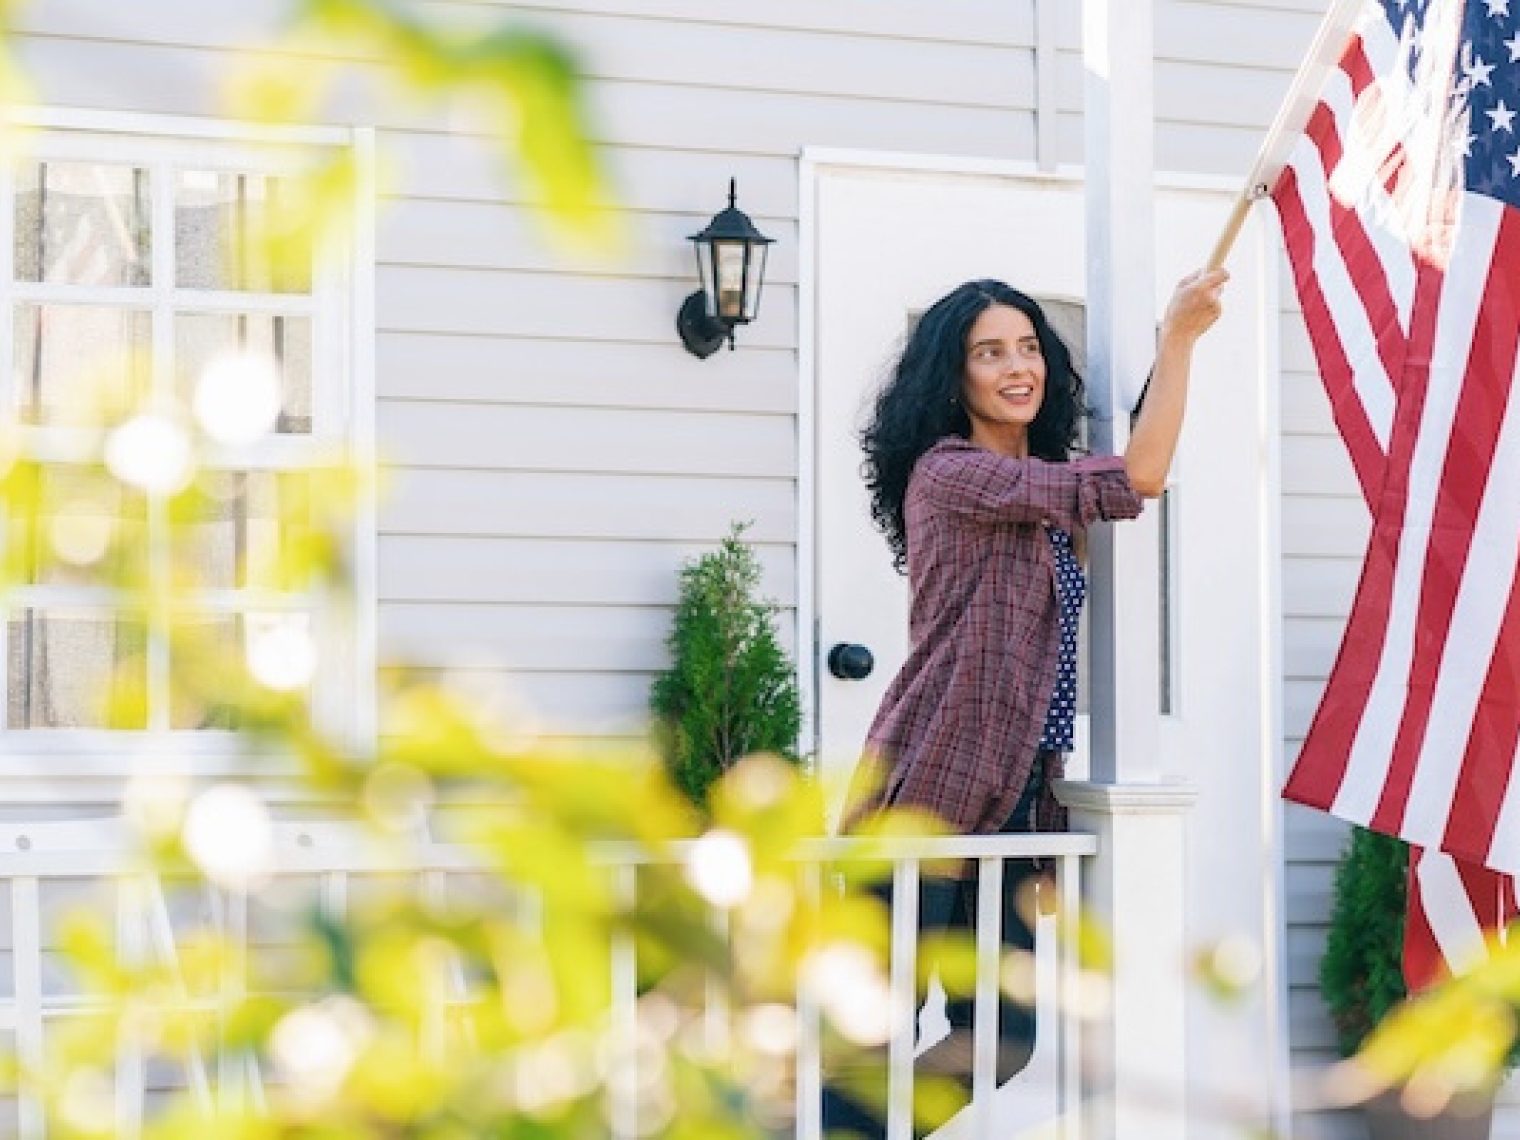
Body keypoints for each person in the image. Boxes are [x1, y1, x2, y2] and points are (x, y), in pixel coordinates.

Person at [824, 269, 1228, 1138]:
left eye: (1029, 348)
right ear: (953, 376)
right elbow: (1139, 477)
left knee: (999, 1040)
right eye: (989, 352)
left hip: (1011, 801)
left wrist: (1040, 813)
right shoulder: (951, 473)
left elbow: (1111, 489)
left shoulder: (1042, 491)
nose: (1018, 366)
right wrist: (1181, 339)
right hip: (926, 794)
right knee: (868, 1035)